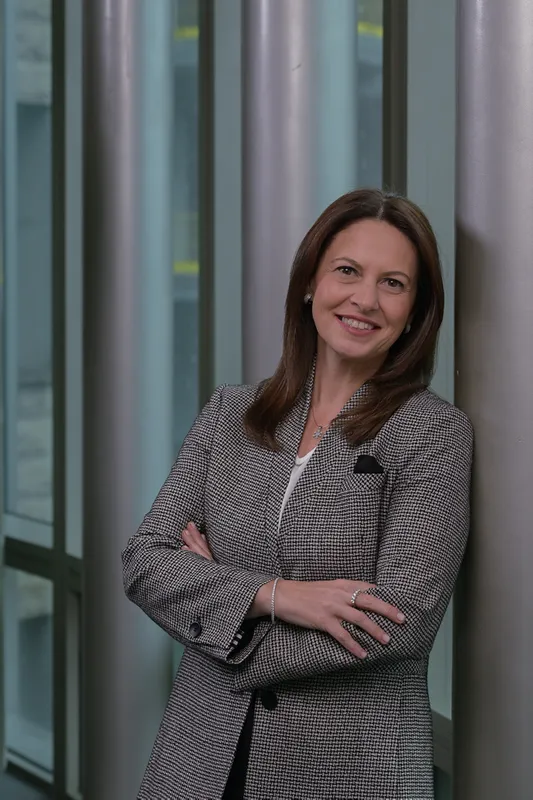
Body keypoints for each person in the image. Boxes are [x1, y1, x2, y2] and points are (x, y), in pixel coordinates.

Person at [122, 188, 473, 800]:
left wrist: (222, 612)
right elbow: (146, 562)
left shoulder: (432, 433)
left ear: (416, 309)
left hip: (347, 768)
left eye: (393, 283)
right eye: (348, 271)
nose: (365, 299)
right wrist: (276, 596)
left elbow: (400, 620)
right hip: (200, 756)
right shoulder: (232, 413)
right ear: (311, 282)